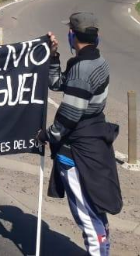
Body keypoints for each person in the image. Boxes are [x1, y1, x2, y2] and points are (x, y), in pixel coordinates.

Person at [36, 13, 121, 255]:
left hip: (77, 149)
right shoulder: (95, 61)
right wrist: (53, 56)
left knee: (85, 212)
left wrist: (47, 135)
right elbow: (57, 83)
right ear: (97, 37)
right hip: (93, 140)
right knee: (94, 208)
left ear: (72, 35)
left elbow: (70, 115)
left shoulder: (83, 69)